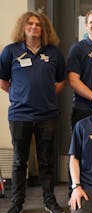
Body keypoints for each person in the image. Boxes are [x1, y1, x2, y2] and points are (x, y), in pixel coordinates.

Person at [0, 11, 66, 213]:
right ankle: (16, 204)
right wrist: (20, 95)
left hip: (47, 115)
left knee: (46, 161)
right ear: (23, 26)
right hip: (20, 115)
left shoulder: (53, 53)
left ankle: (49, 201)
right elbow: (3, 80)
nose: (34, 27)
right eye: (30, 23)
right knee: (20, 161)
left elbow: (61, 80)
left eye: (38, 24)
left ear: (44, 28)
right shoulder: (10, 51)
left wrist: (45, 95)